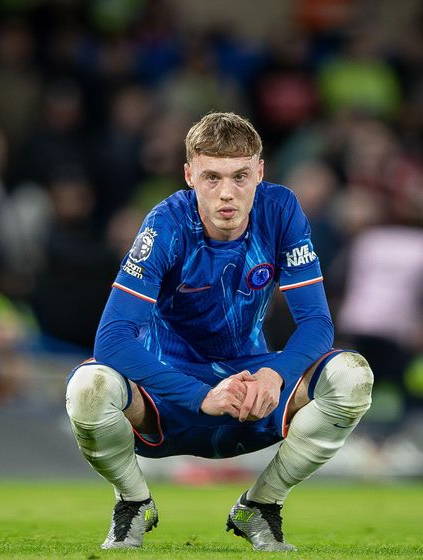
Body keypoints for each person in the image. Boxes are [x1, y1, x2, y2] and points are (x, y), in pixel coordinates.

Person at [65, 112, 373, 551]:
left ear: (260, 172)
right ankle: (133, 501)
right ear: (189, 174)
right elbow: (112, 338)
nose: (227, 193)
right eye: (211, 177)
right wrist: (198, 395)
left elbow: (317, 323)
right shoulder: (166, 224)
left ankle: (261, 505)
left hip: (250, 384)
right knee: (87, 387)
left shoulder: (280, 209)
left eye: (240, 175)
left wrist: (276, 374)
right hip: (168, 392)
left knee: (353, 376)